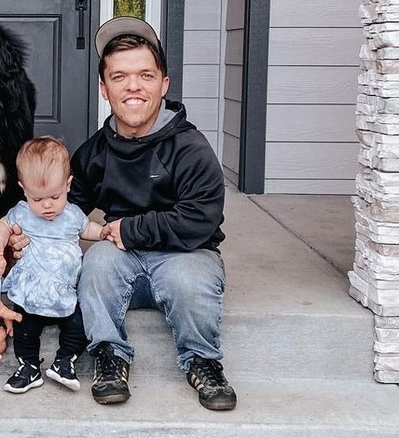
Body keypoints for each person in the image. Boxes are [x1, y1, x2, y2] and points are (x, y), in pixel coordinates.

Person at [68, 16, 236, 410]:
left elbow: (200, 218)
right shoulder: (93, 152)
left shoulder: (190, 147)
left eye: (145, 75)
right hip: (123, 257)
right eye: (120, 77)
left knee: (188, 279)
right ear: (104, 89)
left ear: (163, 85)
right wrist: (24, 230)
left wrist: (128, 228)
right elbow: (66, 207)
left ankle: (202, 361)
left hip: (186, 251)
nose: (133, 87)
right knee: (97, 266)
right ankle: (110, 356)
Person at [0, 136, 105, 394]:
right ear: (23, 189)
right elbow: (4, 224)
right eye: (37, 199)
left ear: (68, 185)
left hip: (64, 291)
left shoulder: (73, 214)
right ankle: (28, 368)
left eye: (55, 196)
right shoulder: (21, 212)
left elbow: (89, 229)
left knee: (78, 326)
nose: (47, 205)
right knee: (24, 327)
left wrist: (106, 232)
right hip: (31, 291)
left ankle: (64, 362)